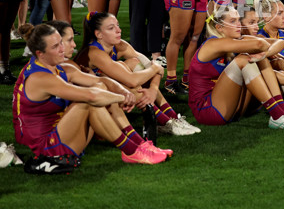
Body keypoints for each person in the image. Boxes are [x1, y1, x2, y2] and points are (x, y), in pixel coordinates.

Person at [13, 23, 168, 168]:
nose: (63, 48)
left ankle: (138, 145)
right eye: (55, 46)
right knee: (89, 101)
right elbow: (92, 97)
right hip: (47, 150)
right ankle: (132, 151)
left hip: (63, 135)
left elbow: (102, 80)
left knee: (99, 88)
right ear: (40, 53)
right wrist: (124, 98)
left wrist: (124, 92)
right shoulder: (40, 78)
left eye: (61, 42)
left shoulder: (63, 67)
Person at [188, 2, 284, 130]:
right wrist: (263, 51)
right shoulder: (213, 44)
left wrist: (265, 54)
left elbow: (280, 42)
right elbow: (259, 45)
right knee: (244, 59)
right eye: (232, 21)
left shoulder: (237, 40)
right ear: (219, 27)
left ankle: (282, 112)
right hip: (208, 110)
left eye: (238, 20)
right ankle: (278, 114)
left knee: (258, 57)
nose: (238, 25)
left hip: (231, 106)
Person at [78, 11, 200, 136]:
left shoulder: (120, 46)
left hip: (108, 96)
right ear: (98, 34)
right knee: (128, 81)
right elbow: (136, 78)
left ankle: (173, 118)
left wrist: (153, 88)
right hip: (86, 103)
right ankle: (165, 122)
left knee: (135, 63)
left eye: (118, 25)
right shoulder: (94, 52)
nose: (118, 30)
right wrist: (155, 68)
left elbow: (153, 67)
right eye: (111, 28)